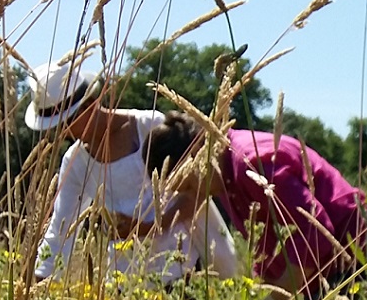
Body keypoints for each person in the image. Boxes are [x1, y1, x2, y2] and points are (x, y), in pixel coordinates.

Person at [140, 115, 367, 300]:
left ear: (197, 155)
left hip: (364, 256)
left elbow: (315, 234)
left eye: (185, 185)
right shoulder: (223, 177)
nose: (188, 196)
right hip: (321, 273)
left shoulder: (252, 163)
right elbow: (268, 246)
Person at [25, 56, 238, 284]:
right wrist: (33, 288)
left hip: (181, 269)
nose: (64, 132)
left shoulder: (150, 126)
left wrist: (148, 226)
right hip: (125, 279)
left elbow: (198, 190)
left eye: (67, 121)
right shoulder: (75, 162)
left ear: (89, 105)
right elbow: (60, 231)